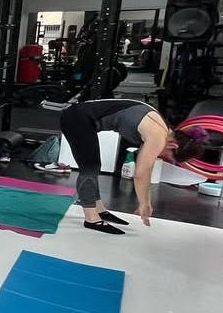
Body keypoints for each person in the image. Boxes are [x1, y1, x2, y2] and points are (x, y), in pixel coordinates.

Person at [59, 99, 206, 234]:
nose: (162, 157)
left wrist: (147, 200)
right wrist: (144, 203)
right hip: (76, 118)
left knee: (94, 166)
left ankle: (99, 210)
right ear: (173, 146)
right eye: (167, 156)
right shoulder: (159, 137)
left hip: (81, 117)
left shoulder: (161, 127)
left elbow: (146, 167)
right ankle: (91, 219)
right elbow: (141, 173)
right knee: (89, 167)